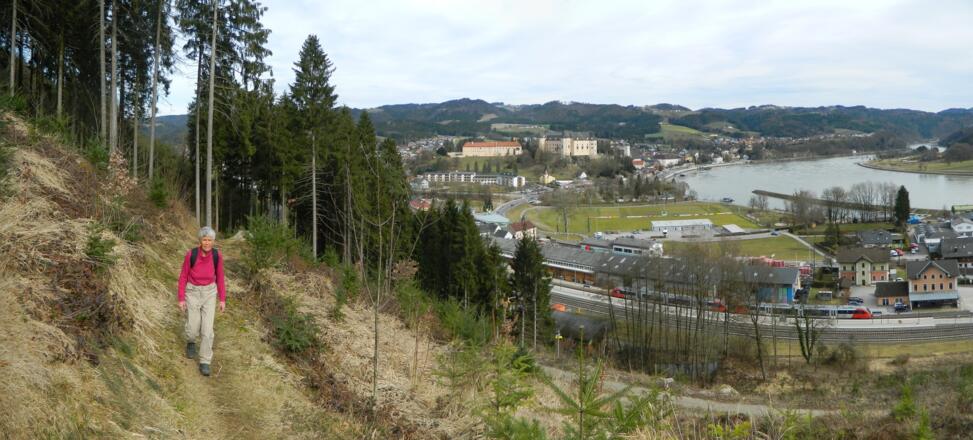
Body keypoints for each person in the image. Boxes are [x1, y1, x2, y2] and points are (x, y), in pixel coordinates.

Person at [177, 226, 226, 376]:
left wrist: (222, 300)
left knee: (207, 330)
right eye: (204, 240)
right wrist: (181, 298)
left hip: (210, 293)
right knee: (193, 327)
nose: (206, 243)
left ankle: (205, 361)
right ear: (200, 240)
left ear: (213, 241)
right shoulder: (191, 254)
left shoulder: (217, 256)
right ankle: (191, 342)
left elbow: (221, 279)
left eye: (209, 240)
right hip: (192, 292)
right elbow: (183, 276)